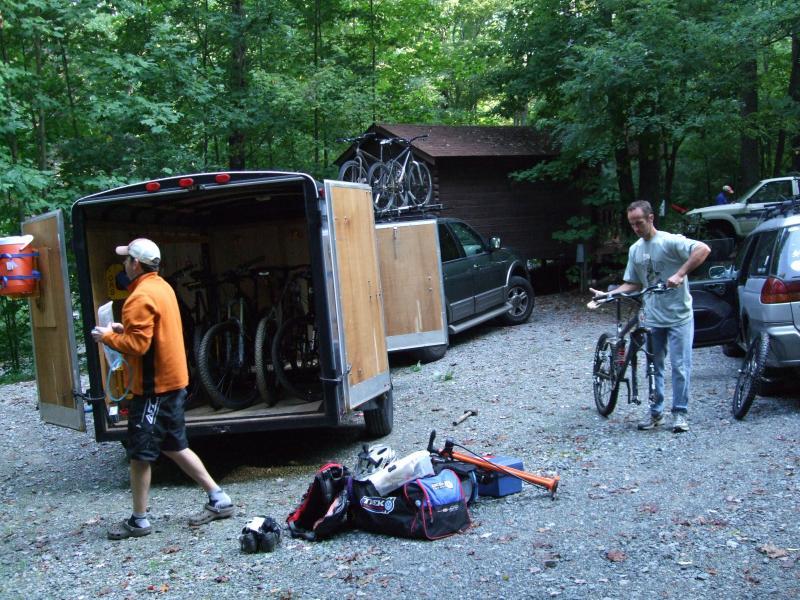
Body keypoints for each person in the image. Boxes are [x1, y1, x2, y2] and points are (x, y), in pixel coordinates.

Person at [91, 238, 234, 540]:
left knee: (140, 453)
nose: (123, 264)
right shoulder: (162, 287)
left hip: (154, 389)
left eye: (126, 259)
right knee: (174, 446)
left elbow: (138, 345)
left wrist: (107, 337)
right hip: (173, 383)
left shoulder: (139, 297)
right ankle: (219, 499)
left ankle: (139, 521)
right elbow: (151, 334)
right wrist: (121, 330)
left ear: (136, 264)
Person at [589, 201, 711, 433]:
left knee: (680, 366)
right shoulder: (636, 249)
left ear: (651, 218)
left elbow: (703, 249)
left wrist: (679, 273)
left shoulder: (669, 241)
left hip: (679, 316)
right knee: (654, 367)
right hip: (654, 318)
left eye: (639, 222)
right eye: (632, 224)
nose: (636, 227)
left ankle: (680, 413)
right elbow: (633, 282)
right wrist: (608, 294)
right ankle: (656, 412)